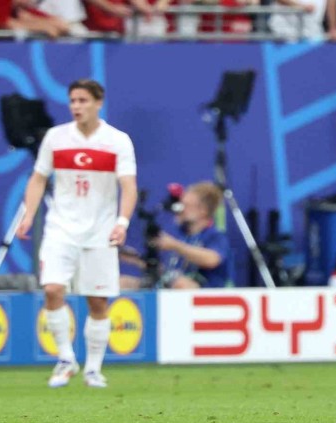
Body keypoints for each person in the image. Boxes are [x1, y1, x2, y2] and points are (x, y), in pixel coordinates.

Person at [16, 79, 138, 389]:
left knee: (97, 302)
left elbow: (128, 186)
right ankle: (66, 358)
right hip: (61, 228)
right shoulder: (56, 138)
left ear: (99, 102)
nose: (76, 106)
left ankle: (93, 369)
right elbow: (38, 178)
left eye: (83, 100)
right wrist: (28, 214)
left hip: (99, 232)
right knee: (53, 290)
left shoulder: (117, 141)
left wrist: (122, 222)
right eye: (73, 101)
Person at [154, 181, 232, 289]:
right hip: (174, 291)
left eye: (186, 205)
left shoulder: (215, 236)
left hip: (205, 295)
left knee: (181, 284)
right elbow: (169, 273)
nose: (181, 210)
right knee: (130, 283)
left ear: (203, 210)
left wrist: (175, 245)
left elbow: (212, 259)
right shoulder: (183, 236)